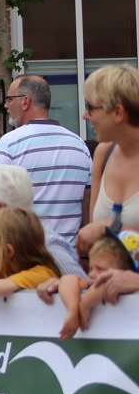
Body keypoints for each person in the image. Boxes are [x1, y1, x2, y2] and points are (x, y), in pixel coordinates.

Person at [0, 74, 90, 275]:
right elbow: (87, 210)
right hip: (69, 265)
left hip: (25, 264)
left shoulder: (9, 144)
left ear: (25, 101)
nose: (6, 105)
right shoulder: (79, 145)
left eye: (9, 99)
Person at [79, 63, 139, 261]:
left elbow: (100, 229)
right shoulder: (104, 153)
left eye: (90, 107)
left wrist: (110, 228)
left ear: (118, 112)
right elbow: (94, 242)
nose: (85, 116)